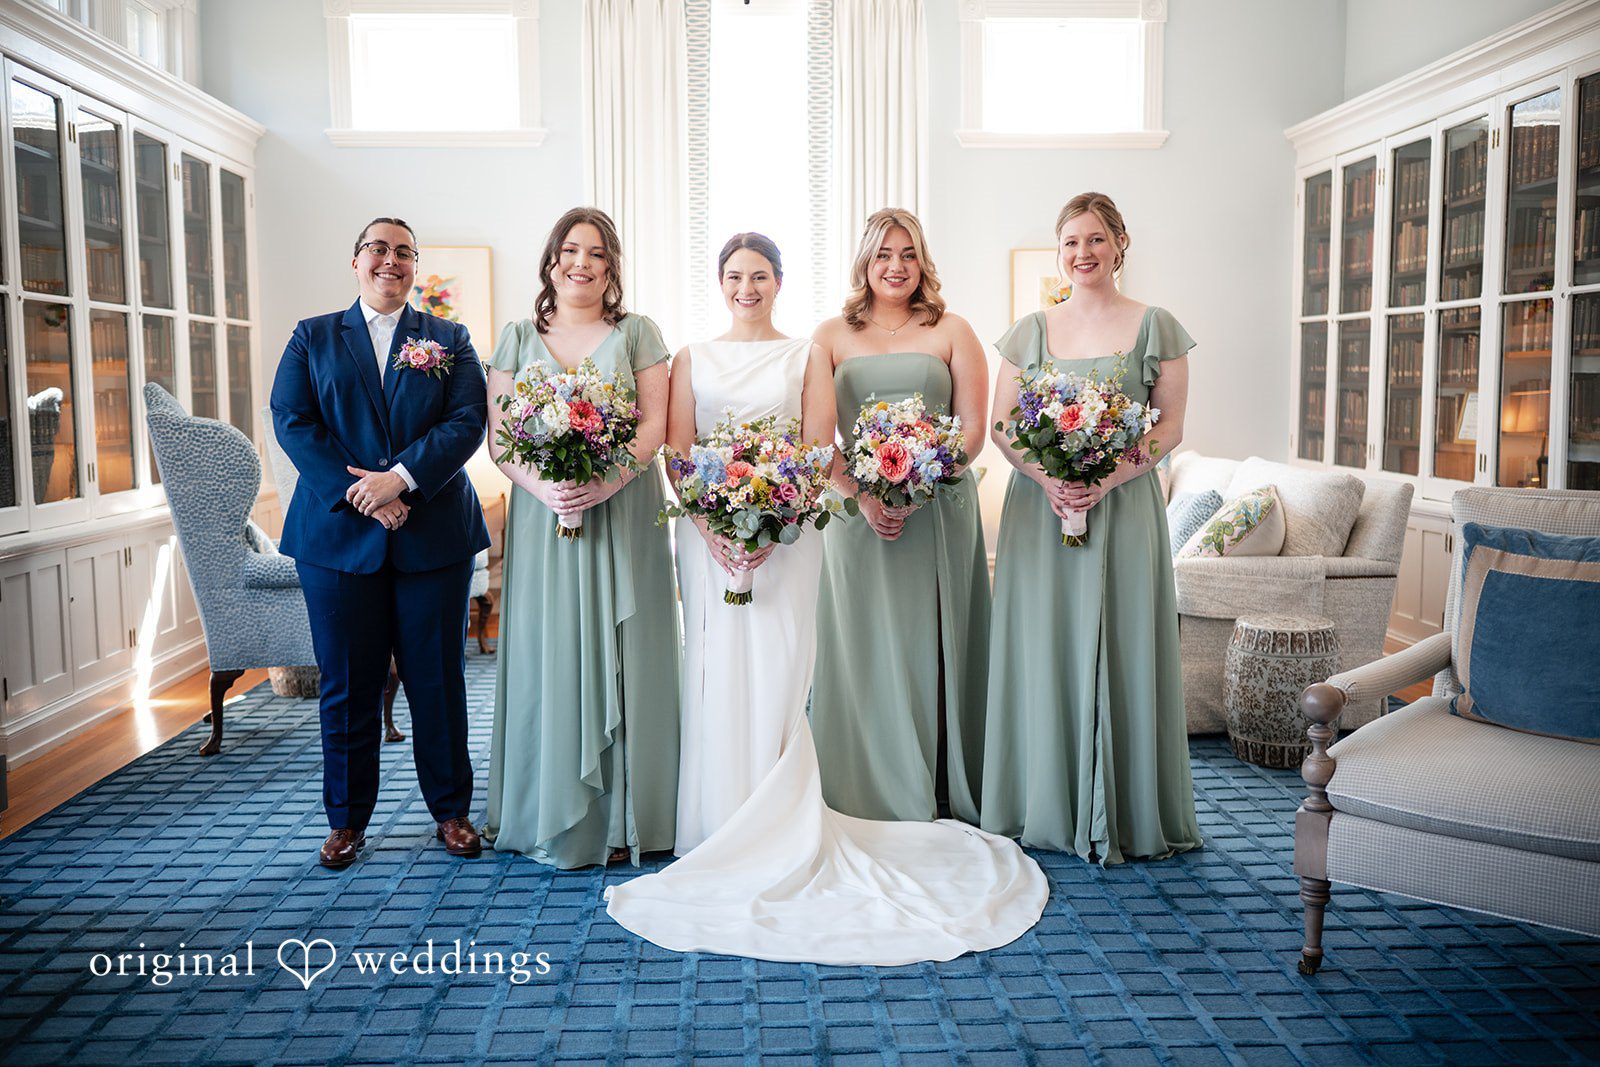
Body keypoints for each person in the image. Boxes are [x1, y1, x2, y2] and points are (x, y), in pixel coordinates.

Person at [603, 233, 1046, 966]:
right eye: (736, 276)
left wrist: (773, 522)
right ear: (719, 283)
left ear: (780, 280)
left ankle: (789, 816)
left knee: (784, 671)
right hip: (709, 537)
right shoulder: (689, 357)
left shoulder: (804, 352)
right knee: (712, 668)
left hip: (788, 532)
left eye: (761, 275)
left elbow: (814, 447)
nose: (748, 286)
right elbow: (680, 453)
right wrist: (716, 528)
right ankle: (716, 825)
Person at [980, 191, 1203, 864]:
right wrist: (1048, 476)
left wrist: (1105, 479)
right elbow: (1002, 425)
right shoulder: (1030, 330)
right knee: (1043, 643)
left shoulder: (1156, 325)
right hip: (1040, 512)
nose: (1084, 252)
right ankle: (1039, 799)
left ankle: (1129, 810)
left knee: (1124, 640)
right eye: (1071, 241)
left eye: (1096, 239)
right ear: (1059, 252)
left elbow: (1169, 426)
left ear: (1120, 244)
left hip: (1125, 507)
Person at [270, 216, 490, 870]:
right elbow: (293, 421)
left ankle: (451, 811)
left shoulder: (448, 338)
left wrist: (400, 480)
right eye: (378, 249)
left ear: (415, 267)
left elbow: (466, 420)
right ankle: (345, 821)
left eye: (403, 252)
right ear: (356, 260)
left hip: (433, 536)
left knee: (438, 682)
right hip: (338, 538)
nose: (389, 260)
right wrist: (363, 495)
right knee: (347, 685)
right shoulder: (311, 337)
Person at [483, 207, 679, 869]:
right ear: (551, 260)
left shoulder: (637, 334)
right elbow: (503, 441)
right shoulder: (514, 338)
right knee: (550, 653)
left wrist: (605, 483)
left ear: (611, 267)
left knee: (630, 655)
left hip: (622, 513)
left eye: (596, 253)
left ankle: (634, 815)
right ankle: (551, 811)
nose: (582, 263)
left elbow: (653, 427)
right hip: (547, 520)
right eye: (571, 250)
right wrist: (549, 490)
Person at [808, 208, 991, 823]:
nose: (895, 266)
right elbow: (815, 438)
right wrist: (863, 494)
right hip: (855, 515)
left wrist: (919, 481)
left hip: (937, 509)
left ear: (923, 262)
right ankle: (866, 777)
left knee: (935, 639)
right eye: (884, 254)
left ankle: (942, 784)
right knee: (866, 642)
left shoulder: (953, 330)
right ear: (865, 260)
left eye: (908, 254)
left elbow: (972, 430)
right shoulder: (830, 334)